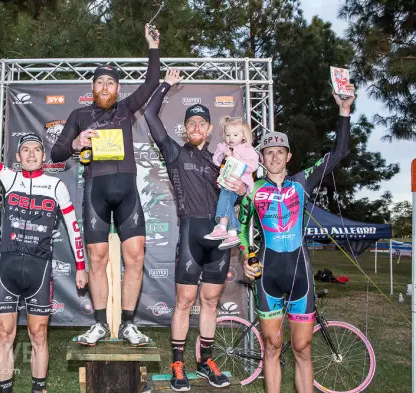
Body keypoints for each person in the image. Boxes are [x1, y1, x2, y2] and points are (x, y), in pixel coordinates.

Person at [0, 84, 88, 393]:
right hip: (7, 268)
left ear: (43, 156)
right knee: (4, 334)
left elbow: (73, 226)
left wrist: (81, 266)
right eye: (26, 150)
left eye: (37, 150)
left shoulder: (56, 186)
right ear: (18, 156)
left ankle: (37, 388)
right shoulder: (10, 178)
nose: (31, 154)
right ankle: (5, 389)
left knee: (39, 335)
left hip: (39, 268)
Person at [238, 86, 355, 393]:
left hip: (301, 274)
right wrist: (245, 256)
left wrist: (343, 111)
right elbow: (241, 228)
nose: (274, 157)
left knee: (302, 348)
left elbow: (339, 153)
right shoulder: (251, 189)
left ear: (288, 156)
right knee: (272, 347)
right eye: (268, 152)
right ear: (262, 158)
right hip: (268, 274)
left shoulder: (303, 182)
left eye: (279, 152)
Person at [50, 24, 160, 346]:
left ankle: (128, 324)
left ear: (117, 88)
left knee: (135, 257)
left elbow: (152, 82)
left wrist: (153, 46)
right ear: (93, 87)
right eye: (99, 81)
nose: (105, 85)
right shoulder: (79, 114)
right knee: (97, 259)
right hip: (95, 191)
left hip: (126, 190)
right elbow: (56, 152)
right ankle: (99, 324)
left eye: (110, 81)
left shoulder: (126, 109)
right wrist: (75, 143)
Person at [144, 68, 248, 391]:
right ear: (186, 128)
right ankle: (178, 364)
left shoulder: (223, 160)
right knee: (185, 300)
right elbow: (149, 114)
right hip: (190, 232)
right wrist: (166, 85)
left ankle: (205, 361)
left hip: (218, 240)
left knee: (212, 301)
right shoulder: (175, 153)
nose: (197, 127)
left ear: (209, 129)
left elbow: (241, 193)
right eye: (191, 123)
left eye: (202, 123)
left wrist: (243, 188)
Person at [204, 117, 259, 249]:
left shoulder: (247, 149)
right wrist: (223, 155)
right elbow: (216, 161)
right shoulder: (222, 147)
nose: (231, 138)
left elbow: (253, 165)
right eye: (228, 134)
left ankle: (223, 226)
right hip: (225, 179)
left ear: (243, 136)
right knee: (225, 199)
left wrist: (237, 159)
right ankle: (232, 232)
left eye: (235, 135)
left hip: (240, 181)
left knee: (226, 196)